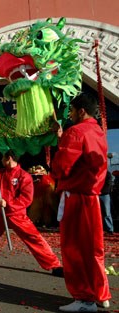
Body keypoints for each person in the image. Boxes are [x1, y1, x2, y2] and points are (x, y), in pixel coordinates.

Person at [51, 93, 111, 312]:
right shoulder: (98, 131)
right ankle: (100, 293)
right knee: (94, 249)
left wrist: (61, 142)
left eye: (72, 110)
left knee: (75, 249)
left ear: (81, 111)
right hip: (92, 197)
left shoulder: (75, 132)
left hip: (76, 197)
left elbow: (61, 166)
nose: (70, 114)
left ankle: (84, 298)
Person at [0, 150, 63, 277]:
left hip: (16, 214)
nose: (0, 161)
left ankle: (54, 265)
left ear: (9, 158)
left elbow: (26, 199)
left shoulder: (24, 176)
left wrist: (8, 203)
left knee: (34, 238)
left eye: (3, 158)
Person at [100, 170, 114, 235]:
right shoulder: (96, 173)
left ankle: (109, 229)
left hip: (104, 195)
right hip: (97, 194)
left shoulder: (107, 174)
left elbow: (108, 184)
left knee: (106, 212)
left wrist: (99, 191)